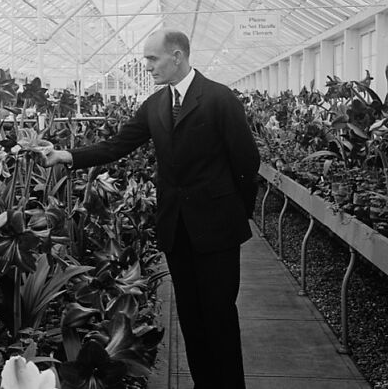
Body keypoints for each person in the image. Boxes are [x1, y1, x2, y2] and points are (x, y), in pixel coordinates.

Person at [41, 29, 260, 389]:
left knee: (219, 316)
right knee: (190, 317)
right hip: (176, 229)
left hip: (217, 230)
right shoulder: (156, 106)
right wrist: (67, 156)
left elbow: (247, 163)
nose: (148, 66)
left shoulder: (219, 99)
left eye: (153, 59)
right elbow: (117, 145)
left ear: (177, 56)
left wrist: (236, 213)